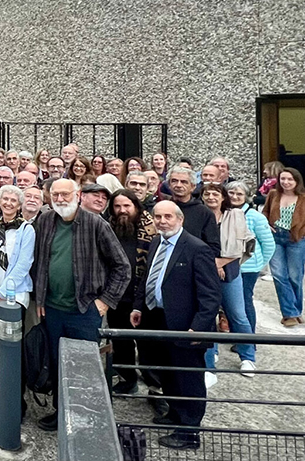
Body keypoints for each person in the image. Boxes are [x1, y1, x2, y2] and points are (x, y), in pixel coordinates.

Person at [31, 179, 130, 432]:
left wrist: (105, 301)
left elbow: (122, 267)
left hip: (84, 310)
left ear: (77, 195)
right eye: (55, 194)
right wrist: (40, 298)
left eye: (65, 194)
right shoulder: (44, 221)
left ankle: (82, 418)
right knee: (55, 362)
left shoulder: (96, 224)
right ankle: (60, 411)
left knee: (83, 368)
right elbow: (40, 262)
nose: (60, 199)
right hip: (52, 309)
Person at [131, 201, 222, 451]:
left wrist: (198, 327)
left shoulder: (197, 248)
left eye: (168, 216)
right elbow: (148, 278)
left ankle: (190, 432)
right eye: (158, 216)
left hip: (187, 326)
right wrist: (139, 307)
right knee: (167, 372)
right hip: (157, 319)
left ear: (180, 219)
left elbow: (211, 295)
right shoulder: (156, 243)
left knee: (189, 378)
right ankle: (174, 413)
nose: (162, 221)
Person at [0, 185, 36, 410]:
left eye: (14, 200)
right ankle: (1, 394)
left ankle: (16, 400)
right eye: (5, 199)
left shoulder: (26, 230)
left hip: (13, 297)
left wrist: (3, 293)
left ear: (19, 204)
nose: (9, 203)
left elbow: (23, 264)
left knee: (12, 349)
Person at [200, 182, 256, 378]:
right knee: (207, 315)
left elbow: (243, 245)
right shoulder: (199, 215)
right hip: (203, 272)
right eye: (207, 194)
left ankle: (248, 357)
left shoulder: (235, 215)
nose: (211, 197)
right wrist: (212, 266)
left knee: (238, 315)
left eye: (216, 194)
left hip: (230, 270)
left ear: (223, 197)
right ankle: (211, 352)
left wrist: (220, 264)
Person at [105, 189, 156, 396]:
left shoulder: (152, 229)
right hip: (117, 297)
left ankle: (156, 388)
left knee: (148, 347)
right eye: (117, 206)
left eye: (127, 206)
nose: (122, 210)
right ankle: (127, 380)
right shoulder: (108, 227)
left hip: (143, 296)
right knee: (121, 343)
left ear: (136, 206)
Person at [229, 181, 275, 351]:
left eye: (239, 194)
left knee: (244, 303)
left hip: (247, 268)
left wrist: (259, 265)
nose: (234, 197)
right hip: (228, 266)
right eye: (231, 193)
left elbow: (269, 245)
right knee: (231, 305)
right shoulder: (223, 212)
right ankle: (237, 337)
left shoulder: (256, 217)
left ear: (247, 197)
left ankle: (249, 341)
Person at [264, 167, 305, 327]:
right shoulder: (273, 194)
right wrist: (267, 225)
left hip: (296, 238)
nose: (286, 182)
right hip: (275, 238)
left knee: (295, 276)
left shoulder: (302, 198)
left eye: (290, 179)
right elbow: (265, 212)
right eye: (283, 179)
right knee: (279, 275)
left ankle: (295, 310)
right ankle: (290, 313)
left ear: (296, 181)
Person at [166, 166, 221, 256]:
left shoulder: (204, 213)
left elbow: (213, 247)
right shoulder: (162, 208)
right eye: (174, 181)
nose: (178, 185)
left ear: (193, 186)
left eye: (184, 182)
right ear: (169, 185)